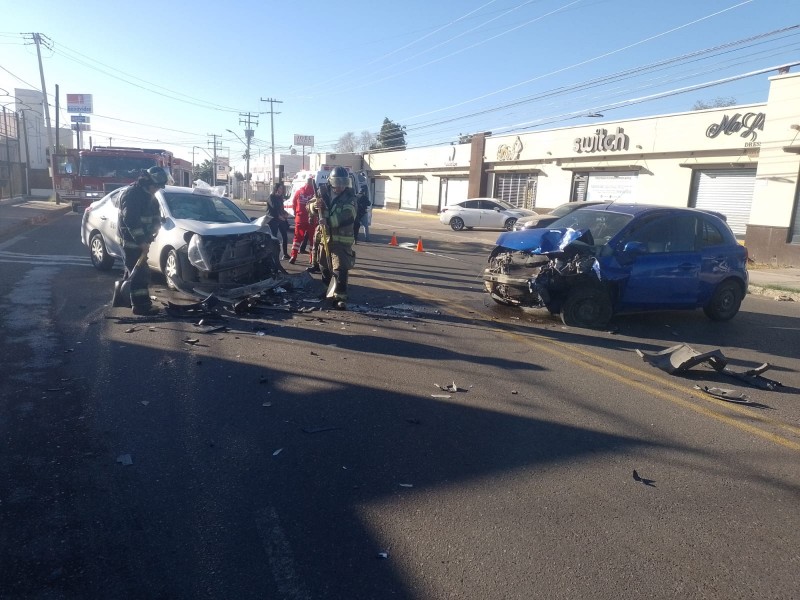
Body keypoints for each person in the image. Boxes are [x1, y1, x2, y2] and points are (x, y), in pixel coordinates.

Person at [118, 167, 168, 315]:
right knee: (140, 274)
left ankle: (123, 299)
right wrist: (141, 241)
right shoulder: (132, 195)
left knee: (133, 271)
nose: (157, 190)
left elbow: (155, 217)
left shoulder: (150, 196)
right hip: (130, 242)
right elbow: (131, 221)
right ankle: (141, 306)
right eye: (156, 186)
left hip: (142, 241)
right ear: (146, 182)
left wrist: (154, 231)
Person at [308, 167, 356, 309]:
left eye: (343, 182)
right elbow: (308, 206)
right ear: (330, 181)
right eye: (337, 182)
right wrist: (315, 206)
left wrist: (328, 221)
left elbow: (348, 215)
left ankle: (340, 297)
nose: (340, 186)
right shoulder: (322, 192)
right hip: (325, 238)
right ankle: (326, 289)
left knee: (340, 268)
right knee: (324, 265)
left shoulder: (350, 197)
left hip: (341, 240)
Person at [288, 177, 315, 264]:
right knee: (312, 240)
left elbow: (294, 204)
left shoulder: (299, 192)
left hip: (300, 218)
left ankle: (293, 256)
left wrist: (297, 214)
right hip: (312, 219)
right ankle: (312, 258)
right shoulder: (315, 193)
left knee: (297, 239)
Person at [266, 181, 290, 259]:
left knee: (284, 236)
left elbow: (281, 208)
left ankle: (285, 254)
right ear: (276, 189)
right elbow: (274, 208)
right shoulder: (271, 197)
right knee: (274, 237)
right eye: (280, 188)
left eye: (282, 188)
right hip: (273, 219)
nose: (281, 190)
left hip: (281, 219)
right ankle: (273, 254)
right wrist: (279, 216)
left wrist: (285, 214)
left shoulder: (280, 197)